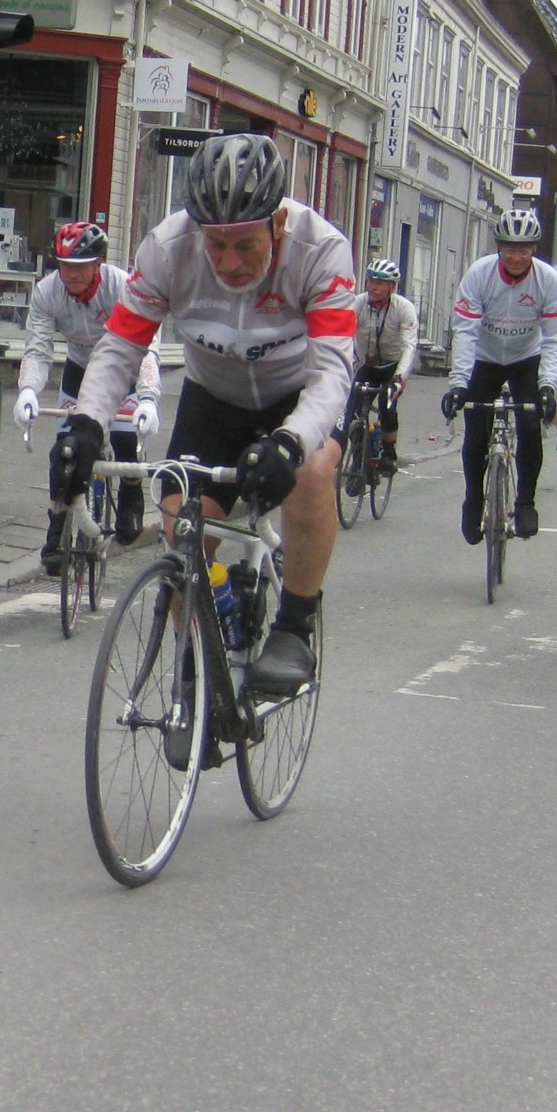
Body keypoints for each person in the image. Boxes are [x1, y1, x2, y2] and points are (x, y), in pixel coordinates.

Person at [59, 132, 357, 697]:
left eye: (246, 244)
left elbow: (332, 374)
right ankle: (201, 658)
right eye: (215, 244)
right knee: (181, 528)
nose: (230, 262)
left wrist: (291, 443)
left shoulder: (321, 249)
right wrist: (87, 425)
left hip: (299, 397)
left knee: (314, 474)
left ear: (278, 222)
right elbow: (121, 346)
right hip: (214, 397)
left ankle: (294, 626)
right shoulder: (167, 248)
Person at [14, 220, 161, 566]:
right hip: (80, 372)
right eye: (65, 266)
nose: (72, 275)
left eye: (80, 267)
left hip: (125, 369)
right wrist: (28, 391)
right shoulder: (47, 292)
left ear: (99, 263)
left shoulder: (122, 287)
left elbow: (148, 346)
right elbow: (37, 349)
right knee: (63, 454)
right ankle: (57, 532)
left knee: (126, 440)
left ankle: (130, 492)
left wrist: (149, 398)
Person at [440, 207, 557, 544]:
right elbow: (465, 332)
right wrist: (458, 384)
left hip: (526, 357)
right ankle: (473, 499)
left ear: (533, 250)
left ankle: (525, 501)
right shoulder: (479, 275)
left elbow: (556, 338)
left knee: (529, 427)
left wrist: (548, 386)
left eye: (524, 250)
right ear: (499, 247)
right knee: (476, 433)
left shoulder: (549, 280)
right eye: (510, 248)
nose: (516, 256)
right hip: (483, 357)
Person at [352, 257, 418, 477]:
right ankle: (358, 457)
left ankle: (388, 453)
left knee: (387, 406)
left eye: (380, 283)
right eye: (370, 280)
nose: (373, 286)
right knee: (350, 409)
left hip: (392, 367)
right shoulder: (358, 303)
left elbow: (409, 345)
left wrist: (401, 376)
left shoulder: (403, 308)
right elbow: (344, 335)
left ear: (392, 287)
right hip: (367, 366)